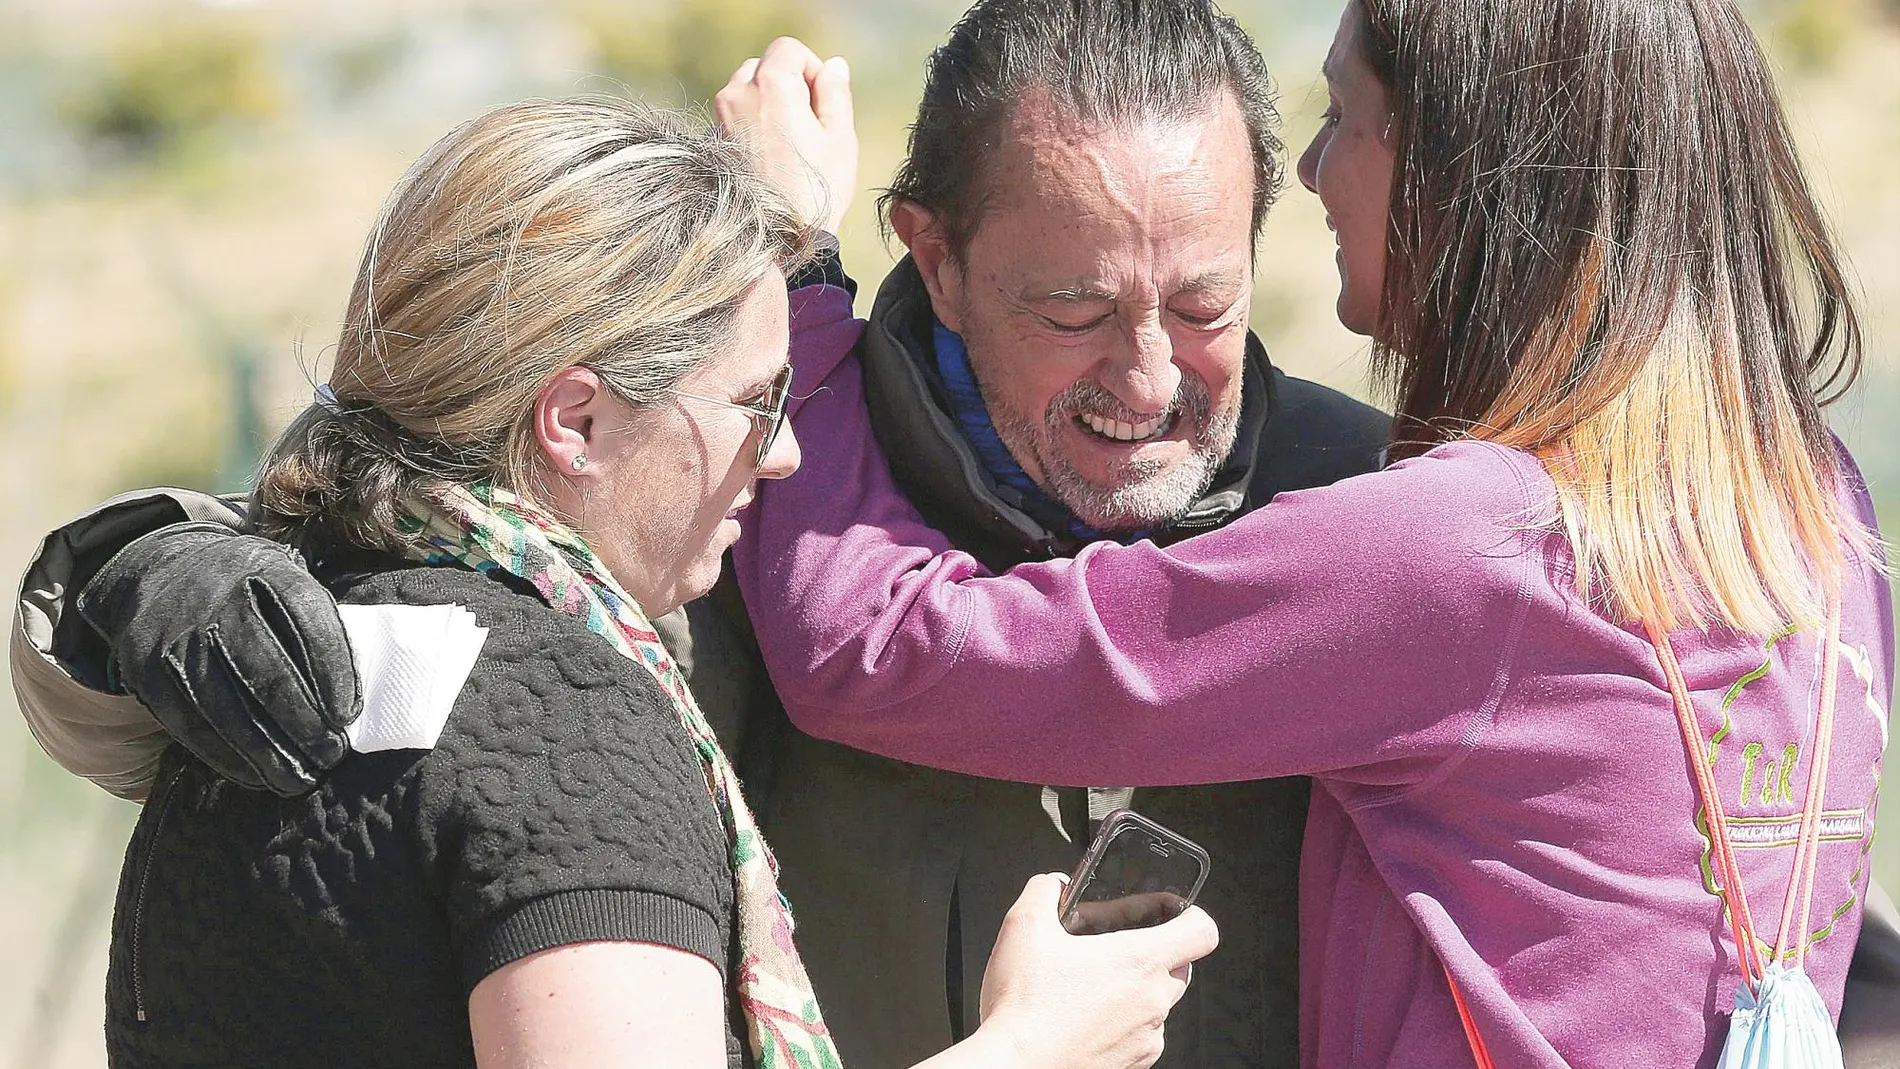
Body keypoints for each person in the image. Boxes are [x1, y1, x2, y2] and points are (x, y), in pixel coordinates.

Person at [15, 5, 1394, 1066]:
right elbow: (443, 513)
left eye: (1206, 302)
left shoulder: (1372, 518)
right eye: (1077, 312)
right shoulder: (738, 513)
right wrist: (161, 564)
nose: (1150, 379)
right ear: (937, 255)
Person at [712, 0, 1900, 1065]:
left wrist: (799, 277)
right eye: (1074, 309)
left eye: (1345, 117)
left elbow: (880, 648)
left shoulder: (1461, 548)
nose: (1319, 169)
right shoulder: (1816, 513)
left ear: (1464, 173)